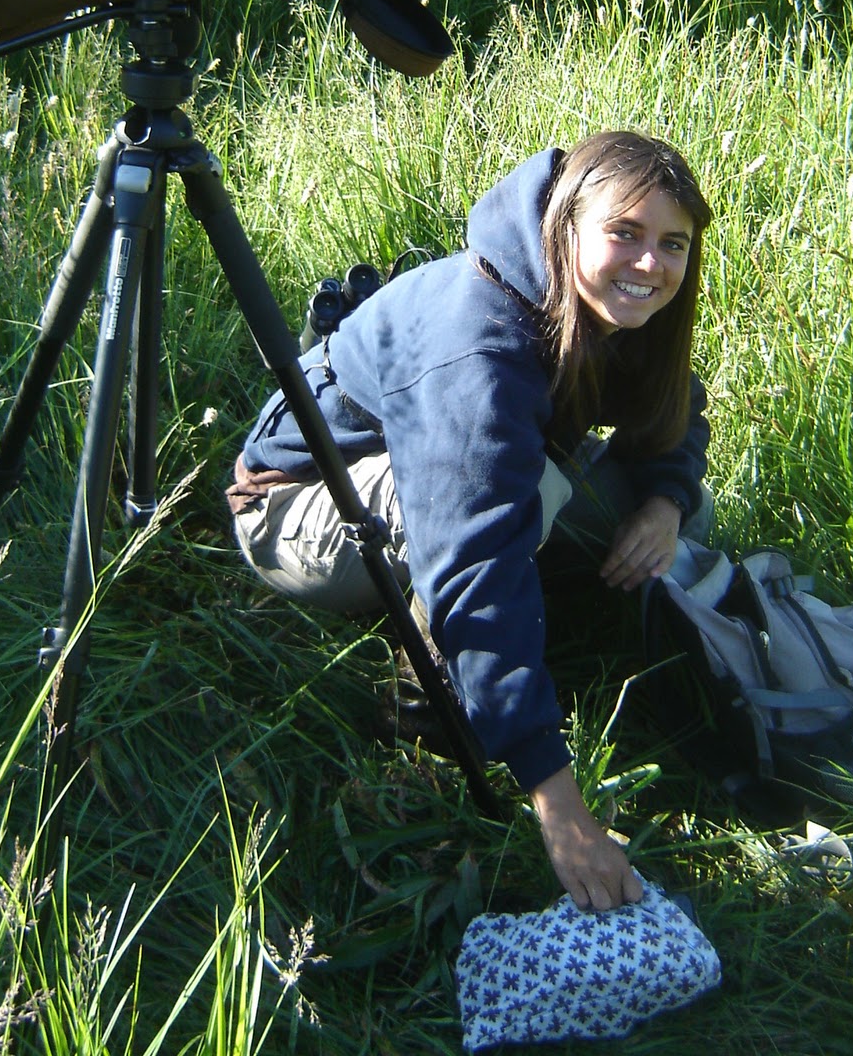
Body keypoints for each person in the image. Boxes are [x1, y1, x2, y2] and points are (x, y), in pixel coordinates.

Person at [227, 131, 713, 912]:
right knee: (522, 504)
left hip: (447, 472)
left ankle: (520, 624)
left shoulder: (612, 297)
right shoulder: (480, 345)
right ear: (566, 225)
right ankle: (426, 704)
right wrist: (559, 805)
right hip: (292, 506)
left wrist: (665, 503)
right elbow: (476, 566)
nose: (650, 263)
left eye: (672, 243)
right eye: (625, 232)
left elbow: (674, 407)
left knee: (681, 512)